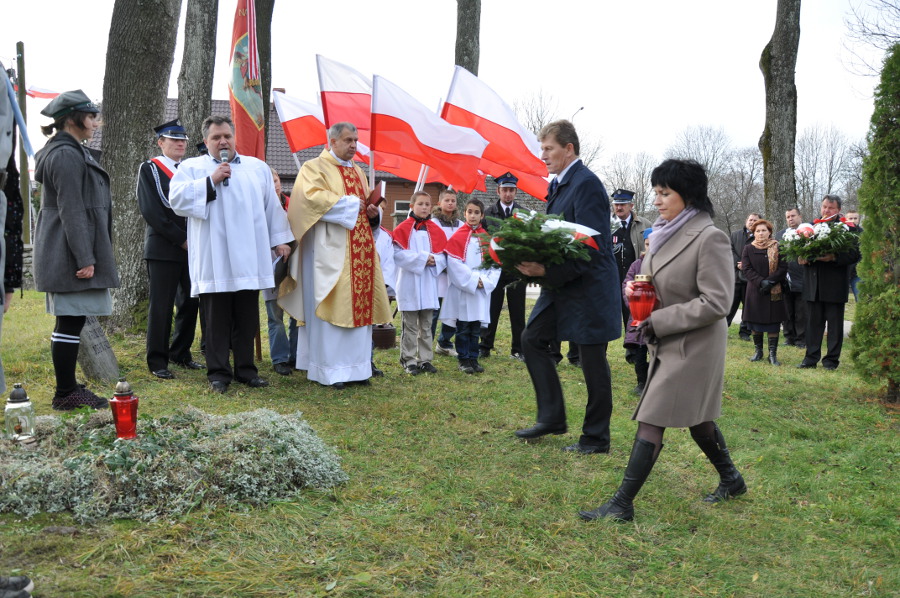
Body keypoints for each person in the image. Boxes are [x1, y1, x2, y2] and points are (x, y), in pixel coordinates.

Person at [580, 158, 745, 522]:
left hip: (694, 345)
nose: (657, 200)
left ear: (687, 195)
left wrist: (659, 319)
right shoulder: (664, 232)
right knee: (698, 419)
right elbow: (648, 277)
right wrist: (634, 289)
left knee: (652, 417)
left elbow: (717, 301)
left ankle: (621, 504)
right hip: (666, 340)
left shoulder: (709, 237)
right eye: (656, 192)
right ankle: (731, 479)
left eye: (664, 192)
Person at [514, 120, 621, 455]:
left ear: (569, 148)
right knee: (531, 339)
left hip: (588, 286)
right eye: (542, 148)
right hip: (560, 283)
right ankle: (552, 417)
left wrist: (545, 268)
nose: (543, 155)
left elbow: (592, 245)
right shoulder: (559, 185)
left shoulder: (586, 184)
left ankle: (596, 438)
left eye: (549, 149)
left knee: (591, 359)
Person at [169, 115, 293, 393]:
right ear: (206, 141)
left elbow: (271, 206)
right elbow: (175, 199)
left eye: (227, 135)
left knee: (247, 316)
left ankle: (246, 370)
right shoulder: (192, 167)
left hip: (249, 253)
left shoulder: (256, 168)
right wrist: (210, 181)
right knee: (216, 319)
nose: (223, 141)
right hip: (215, 256)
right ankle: (218, 373)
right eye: (216, 137)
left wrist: (280, 240)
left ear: (234, 137)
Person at [280, 122, 391, 389]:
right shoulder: (313, 168)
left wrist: (372, 213)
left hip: (360, 249)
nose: (354, 145)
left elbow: (365, 206)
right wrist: (355, 204)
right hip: (329, 252)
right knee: (332, 304)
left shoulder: (360, 173)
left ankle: (357, 370)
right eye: (348, 140)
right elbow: (309, 200)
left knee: (359, 311)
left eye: (355, 140)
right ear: (332, 141)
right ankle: (330, 371)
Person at [32, 90, 116, 410]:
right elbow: (72, 209)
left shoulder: (69, 150)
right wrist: (85, 258)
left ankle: (67, 388)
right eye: (91, 116)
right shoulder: (66, 154)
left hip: (67, 250)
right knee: (70, 322)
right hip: (69, 253)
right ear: (71, 119)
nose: (96, 122)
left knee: (71, 320)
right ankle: (66, 393)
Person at [136, 119, 202, 380]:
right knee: (161, 306)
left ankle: (181, 352)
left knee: (190, 301)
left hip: (193, 245)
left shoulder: (191, 169)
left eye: (183, 140)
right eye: (174, 140)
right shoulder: (150, 168)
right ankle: (157, 360)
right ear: (160, 142)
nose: (180, 144)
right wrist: (181, 239)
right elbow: (151, 210)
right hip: (164, 247)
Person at [797, 195, 860, 370]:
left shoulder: (848, 228)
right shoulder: (809, 227)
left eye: (830, 208)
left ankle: (831, 361)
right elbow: (797, 250)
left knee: (834, 326)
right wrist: (800, 257)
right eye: (824, 207)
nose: (826, 210)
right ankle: (810, 358)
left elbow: (855, 254)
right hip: (813, 284)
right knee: (813, 324)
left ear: (838, 210)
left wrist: (834, 257)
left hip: (834, 285)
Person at [441, 198, 500, 374]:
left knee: (476, 328)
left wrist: (486, 282)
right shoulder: (457, 237)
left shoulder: (488, 240)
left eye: (476, 212)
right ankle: (463, 358)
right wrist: (474, 280)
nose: (473, 216)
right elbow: (455, 264)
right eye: (470, 212)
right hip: (464, 290)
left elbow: (495, 266)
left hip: (481, 291)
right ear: (465, 213)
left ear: (482, 215)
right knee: (463, 326)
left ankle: (473, 358)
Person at [393, 191, 447, 375]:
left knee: (426, 325)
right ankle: (408, 359)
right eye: (420, 204)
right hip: (410, 282)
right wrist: (423, 259)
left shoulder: (435, 230)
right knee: (410, 325)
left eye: (427, 204)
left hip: (428, 282)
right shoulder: (403, 228)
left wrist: (435, 261)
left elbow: (443, 256)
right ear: (412, 206)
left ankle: (425, 359)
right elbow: (398, 255)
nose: (424, 207)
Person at [479, 172, 527, 361]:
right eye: (505, 190)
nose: (508, 194)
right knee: (491, 309)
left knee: (518, 311)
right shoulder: (488, 214)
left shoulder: (522, 214)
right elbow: (482, 241)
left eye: (511, 190)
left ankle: (518, 349)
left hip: (516, 270)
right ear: (498, 191)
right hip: (494, 270)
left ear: (516, 192)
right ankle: (485, 345)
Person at [262, 168, 298, 376]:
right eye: (269, 181)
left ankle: (296, 355)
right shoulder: (260, 207)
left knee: (295, 313)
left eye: (275, 180)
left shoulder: (293, 205)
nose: (274, 184)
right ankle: (280, 358)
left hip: (294, 265)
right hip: (271, 265)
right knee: (275, 315)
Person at [741, 219, 788, 365]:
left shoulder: (778, 247)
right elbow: (747, 269)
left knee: (773, 322)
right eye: (757, 231)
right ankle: (758, 351)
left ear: (769, 232)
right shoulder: (748, 248)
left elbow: (783, 267)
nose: (761, 233)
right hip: (755, 290)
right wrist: (761, 282)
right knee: (755, 322)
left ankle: (772, 355)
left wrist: (771, 281)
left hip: (774, 290)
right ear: (753, 233)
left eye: (763, 230)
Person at [611, 188, 652, 328]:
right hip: (611, 279)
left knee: (635, 317)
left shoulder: (644, 224)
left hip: (634, 279)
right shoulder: (606, 224)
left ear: (631, 206)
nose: (619, 207)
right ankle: (600, 350)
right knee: (605, 318)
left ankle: (635, 348)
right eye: (616, 204)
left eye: (623, 204)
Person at [432, 188, 463, 357]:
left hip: (454, 274)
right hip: (437, 273)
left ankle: (444, 342)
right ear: (440, 203)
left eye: (453, 200)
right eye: (447, 200)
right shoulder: (433, 223)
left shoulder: (461, 225)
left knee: (452, 309)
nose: (450, 203)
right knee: (434, 309)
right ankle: (426, 343)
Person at [622, 227, 653, 395]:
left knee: (657, 353)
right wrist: (633, 303)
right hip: (639, 317)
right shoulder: (637, 265)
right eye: (648, 244)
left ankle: (654, 382)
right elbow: (626, 284)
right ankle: (641, 382)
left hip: (658, 318)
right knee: (640, 354)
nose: (651, 248)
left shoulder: (666, 265)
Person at [775, 207, 807, 348]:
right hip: (786, 278)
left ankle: (801, 339)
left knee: (801, 312)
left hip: (802, 277)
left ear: (800, 216)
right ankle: (789, 337)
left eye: (793, 216)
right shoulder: (780, 235)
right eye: (788, 217)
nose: (790, 219)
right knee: (787, 311)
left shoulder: (807, 232)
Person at [727, 213, 759, 340]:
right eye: (750, 220)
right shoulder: (735, 235)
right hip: (735, 276)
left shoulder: (760, 236)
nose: (752, 222)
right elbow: (730, 250)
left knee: (748, 306)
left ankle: (745, 332)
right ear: (746, 220)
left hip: (751, 278)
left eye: (755, 220)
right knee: (730, 305)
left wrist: (746, 264)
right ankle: (722, 328)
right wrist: (738, 263)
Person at [844, 210, 862, 301]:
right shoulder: (840, 234)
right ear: (846, 219)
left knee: (861, 300)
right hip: (842, 273)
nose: (853, 220)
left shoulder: (863, 235)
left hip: (857, 274)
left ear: (859, 219)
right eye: (850, 218)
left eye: (855, 218)